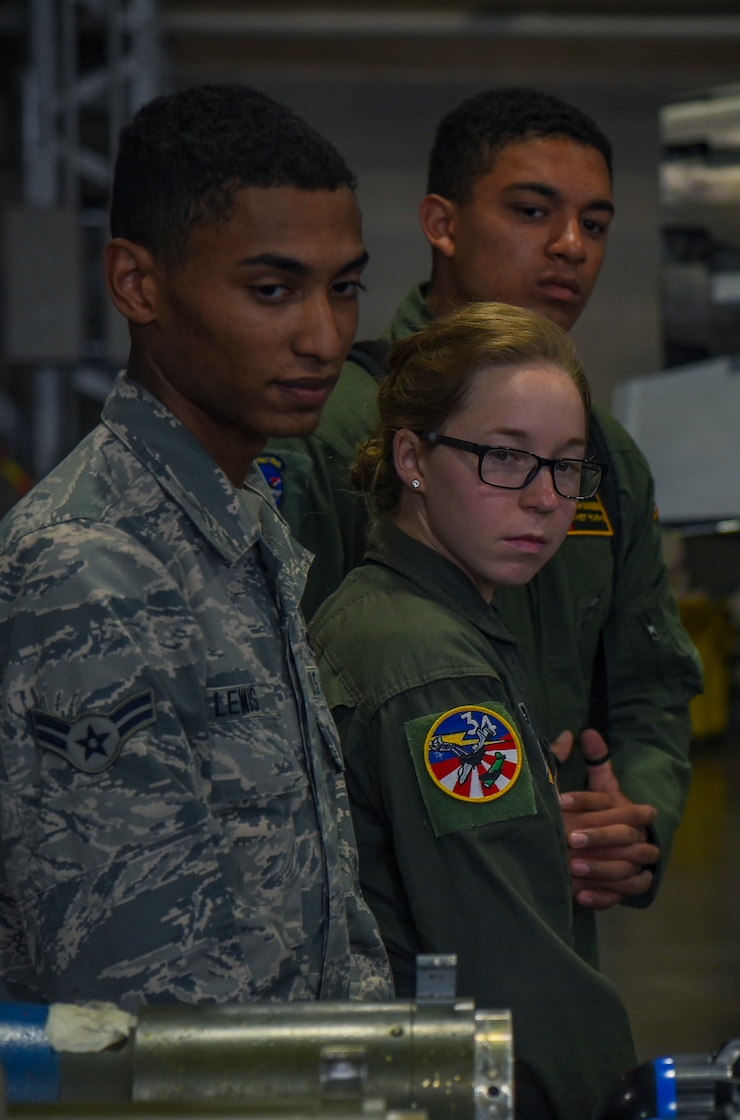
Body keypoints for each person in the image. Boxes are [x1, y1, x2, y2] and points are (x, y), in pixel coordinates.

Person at [0, 85, 390, 1007]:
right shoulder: (90, 569)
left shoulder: (237, 527)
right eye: (272, 290)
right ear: (137, 283)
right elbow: (143, 1003)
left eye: (343, 288)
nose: (323, 337)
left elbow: (321, 904)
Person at [267, 87, 698, 918]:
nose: (570, 246)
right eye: (533, 210)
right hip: (381, 916)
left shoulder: (604, 457)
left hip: (545, 905)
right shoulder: (329, 427)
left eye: (596, 224)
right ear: (442, 223)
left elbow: (652, 686)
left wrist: (637, 823)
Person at [307, 302, 635, 1120]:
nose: (542, 500)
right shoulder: (435, 672)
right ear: (411, 456)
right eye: (503, 458)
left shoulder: (385, 617)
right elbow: (512, 974)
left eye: (567, 466)